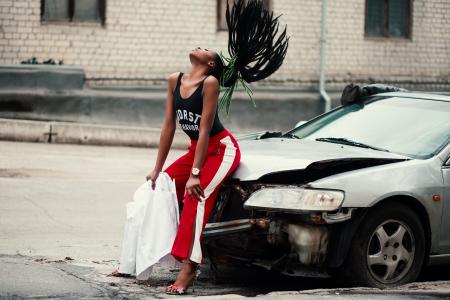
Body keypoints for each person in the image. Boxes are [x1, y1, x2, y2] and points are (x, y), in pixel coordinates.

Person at [111, 0, 289, 295]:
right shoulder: (173, 80)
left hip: (221, 150)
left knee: (197, 196)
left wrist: (195, 173)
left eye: (207, 49)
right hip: (197, 149)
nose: (200, 46)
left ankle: (189, 266)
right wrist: (157, 167)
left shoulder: (209, 83)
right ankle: (135, 258)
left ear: (210, 65)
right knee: (160, 186)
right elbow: (169, 126)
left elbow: (205, 129)